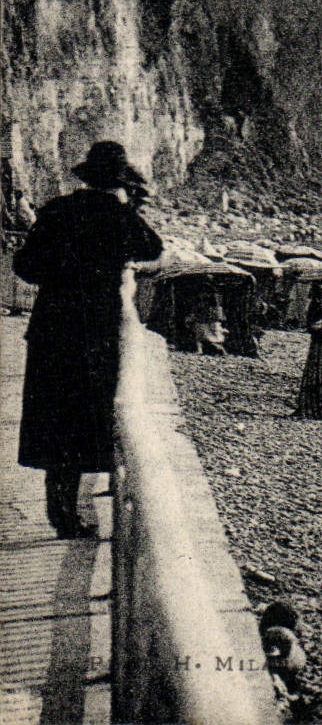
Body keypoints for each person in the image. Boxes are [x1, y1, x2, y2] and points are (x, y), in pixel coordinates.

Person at [13, 142, 164, 539]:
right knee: (83, 418)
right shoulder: (117, 215)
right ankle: (71, 510)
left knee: (54, 417)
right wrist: (129, 208)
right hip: (95, 331)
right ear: (118, 181)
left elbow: (25, 266)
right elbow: (152, 248)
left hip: (52, 328)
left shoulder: (57, 210)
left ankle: (59, 507)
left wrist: (59, 274)